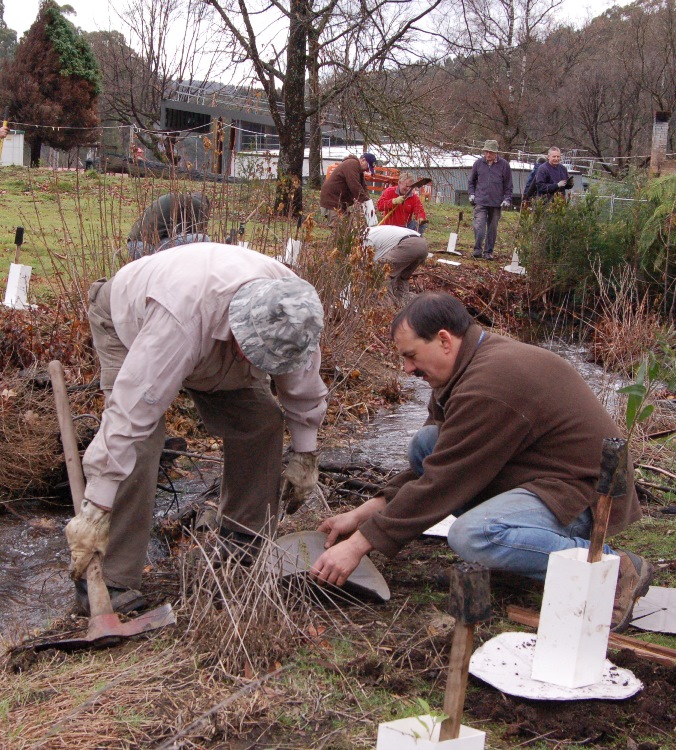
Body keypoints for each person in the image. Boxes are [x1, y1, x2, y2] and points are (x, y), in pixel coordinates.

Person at [312, 292, 653, 634]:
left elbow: (444, 482)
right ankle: (529, 551)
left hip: (582, 498)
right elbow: (442, 464)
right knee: (426, 444)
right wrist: (361, 515)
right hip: (538, 473)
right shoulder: (464, 367)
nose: (407, 369)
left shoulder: (488, 385)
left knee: (475, 536)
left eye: (411, 356)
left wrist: (360, 544)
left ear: (444, 340)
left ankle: (612, 567)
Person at [65, 244, 328, 614]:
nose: (250, 360)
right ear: (240, 326)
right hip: (134, 319)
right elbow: (129, 419)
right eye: (252, 351)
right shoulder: (180, 321)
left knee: (260, 421)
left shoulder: (295, 313)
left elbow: (301, 386)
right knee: (142, 442)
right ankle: (109, 577)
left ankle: (243, 542)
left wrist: (305, 455)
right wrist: (95, 510)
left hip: (210, 324)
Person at [127, 192, 211, 260]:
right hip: (146, 248)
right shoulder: (198, 205)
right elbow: (196, 236)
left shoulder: (180, 201)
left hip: (133, 247)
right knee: (203, 238)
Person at [467, 140, 513, 260]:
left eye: (490, 152)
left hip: (496, 203)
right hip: (480, 201)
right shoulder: (478, 164)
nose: (488, 154)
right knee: (479, 226)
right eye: (486, 151)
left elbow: (508, 185)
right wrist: (471, 194)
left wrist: (507, 199)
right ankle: (477, 250)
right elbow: (471, 181)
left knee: (492, 228)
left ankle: (488, 252)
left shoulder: (504, 165)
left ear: (496, 152)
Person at [364, 225, 428, 301]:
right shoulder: (376, 231)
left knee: (381, 270)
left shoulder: (366, 237)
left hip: (409, 244)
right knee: (401, 278)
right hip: (422, 245)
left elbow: (370, 262)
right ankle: (406, 304)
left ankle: (386, 306)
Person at [319, 153, 378, 226]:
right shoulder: (351, 164)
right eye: (368, 167)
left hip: (340, 203)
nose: (367, 170)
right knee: (339, 230)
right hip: (331, 202)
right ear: (363, 160)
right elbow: (355, 186)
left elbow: (364, 188)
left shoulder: (359, 171)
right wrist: (367, 204)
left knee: (347, 229)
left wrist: (370, 204)